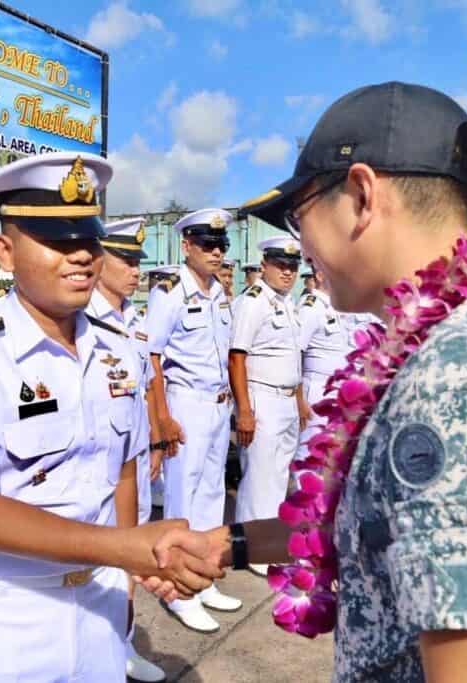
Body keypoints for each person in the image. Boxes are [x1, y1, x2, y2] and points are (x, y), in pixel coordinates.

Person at [149, 82, 467, 682]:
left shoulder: (458, 384)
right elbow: (381, 526)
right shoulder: (453, 341)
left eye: (300, 219)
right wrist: (232, 545)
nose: (301, 249)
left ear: (363, 196)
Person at [0, 153, 223, 682]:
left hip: (98, 603)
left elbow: (123, 470)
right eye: (56, 241)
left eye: (88, 239)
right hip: (6, 616)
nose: (80, 256)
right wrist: (125, 551)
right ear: (5, 251)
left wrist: (122, 579)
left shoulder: (120, 350)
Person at [145, 208, 243, 633]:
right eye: (208, 244)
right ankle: (177, 588)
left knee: (210, 494)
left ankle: (201, 579)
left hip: (218, 406)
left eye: (222, 244)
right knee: (182, 499)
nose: (217, 251)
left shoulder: (219, 293)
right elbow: (152, 355)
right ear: (187, 246)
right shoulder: (169, 291)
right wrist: (162, 417)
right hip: (186, 402)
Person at [87, 216, 166, 683]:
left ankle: (124, 643)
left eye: (139, 261)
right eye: (126, 260)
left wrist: (155, 439)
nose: (136, 270)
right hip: (99, 462)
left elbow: (148, 385)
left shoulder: (135, 320)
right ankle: (101, 646)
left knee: (131, 551)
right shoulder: (82, 318)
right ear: (99, 262)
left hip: (133, 459)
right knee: (99, 555)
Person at [228, 236, 306, 576]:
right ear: (265, 266)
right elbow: (237, 356)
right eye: (281, 265)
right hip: (263, 399)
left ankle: (271, 540)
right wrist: (244, 410)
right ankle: (253, 546)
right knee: (259, 475)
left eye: (293, 267)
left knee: (277, 476)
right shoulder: (254, 301)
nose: (288, 273)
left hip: (287, 399)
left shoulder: (287, 302)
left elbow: (292, 356)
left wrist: (300, 400)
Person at [295, 268, 350, 464]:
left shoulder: (335, 306)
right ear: (319, 275)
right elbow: (296, 352)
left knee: (330, 451)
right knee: (310, 450)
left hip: (335, 389)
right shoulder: (311, 307)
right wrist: (299, 397)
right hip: (316, 389)